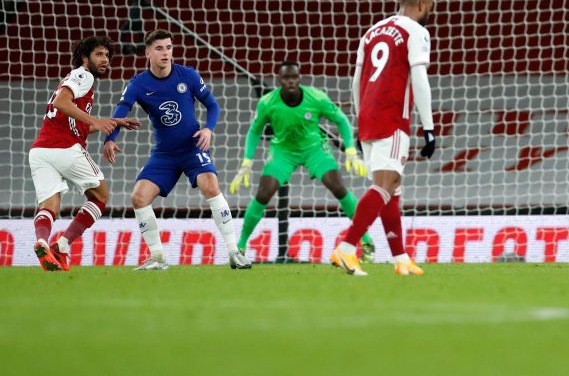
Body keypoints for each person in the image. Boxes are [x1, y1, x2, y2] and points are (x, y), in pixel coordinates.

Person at [103, 29, 251, 270]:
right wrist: (110, 139)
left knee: (211, 185)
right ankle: (158, 257)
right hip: (164, 154)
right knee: (138, 198)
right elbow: (121, 112)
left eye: (169, 48)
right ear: (148, 52)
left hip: (192, 146)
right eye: (160, 48)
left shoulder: (188, 76)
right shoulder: (138, 84)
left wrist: (208, 129)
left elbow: (213, 106)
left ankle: (235, 252)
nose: (166, 53)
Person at [330, 0, 437, 276]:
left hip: (367, 118)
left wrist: (359, 118)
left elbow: (355, 81)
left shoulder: (371, 32)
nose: (430, 15)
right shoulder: (416, 31)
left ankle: (401, 258)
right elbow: (419, 79)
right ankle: (347, 248)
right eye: (430, 9)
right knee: (384, 185)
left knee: (393, 187)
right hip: (393, 118)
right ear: (421, 6)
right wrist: (429, 127)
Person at [230, 61, 375, 262]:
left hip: (314, 148)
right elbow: (254, 131)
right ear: (279, 80)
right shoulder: (267, 102)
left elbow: (341, 119)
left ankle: (367, 241)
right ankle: (241, 246)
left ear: (299, 79)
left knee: (338, 187)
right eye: (286, 78)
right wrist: (246, 163)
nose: (291, 81)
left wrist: (351, 150)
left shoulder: (316, 97)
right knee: (264, 192)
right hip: (283, 150)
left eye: (294, 77)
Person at [29, 36, 139, 271]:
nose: (105, 60)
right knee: (100, 197)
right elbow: (61, 102)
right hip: (65, 148)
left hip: (40, 151)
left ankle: (42, 241)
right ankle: (63, 245)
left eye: (107, 56)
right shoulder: (83, 75)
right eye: (99, 54)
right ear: (85, 58)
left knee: (49, 207)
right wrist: (97, 121)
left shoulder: (72, 79)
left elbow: (73, 122)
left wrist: (111, 121)